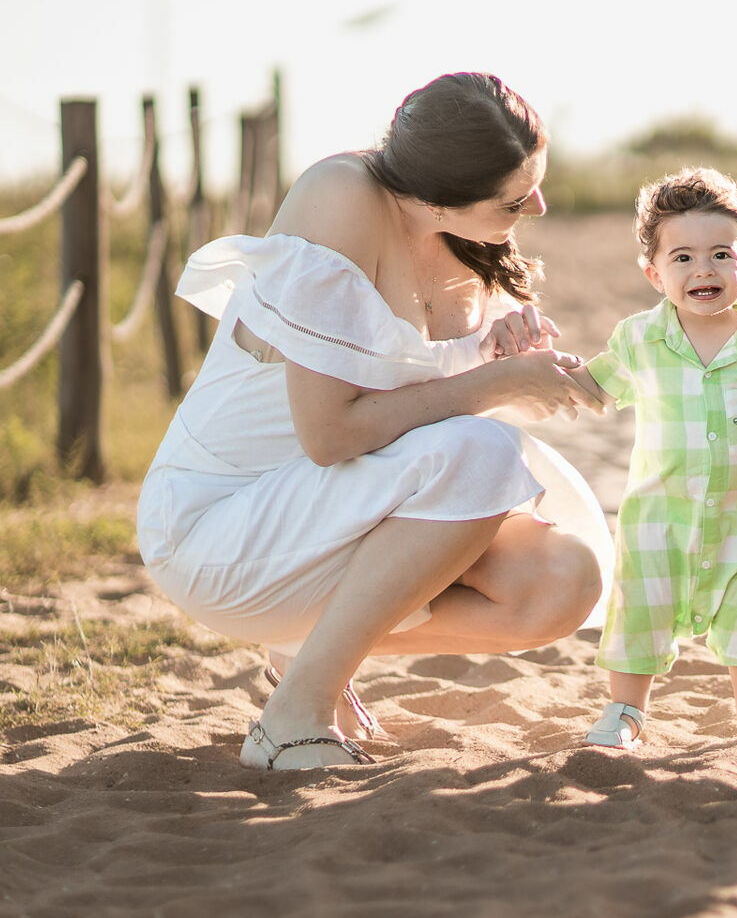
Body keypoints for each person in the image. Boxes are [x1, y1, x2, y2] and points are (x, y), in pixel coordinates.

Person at [137, 72, 611, 771]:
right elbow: (331, 437)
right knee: (482, 450)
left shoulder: (458, 236)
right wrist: (496, 382)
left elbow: (410, 382)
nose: (537, 205)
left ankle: (306, 654)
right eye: (514, 197)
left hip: (337, 521)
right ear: (435, 191)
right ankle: (297, 710)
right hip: (222, 530)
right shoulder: (340, 198)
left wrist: (501, 336)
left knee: (562, 582)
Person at [570, 168, 737, 749]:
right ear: (654, 272)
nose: (703, 270)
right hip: (659, 515)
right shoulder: (638, 340)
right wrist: (541, 366)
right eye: (682, 257)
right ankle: (624, 711)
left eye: (720, 254)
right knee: (642, 609)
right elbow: (591, 390)